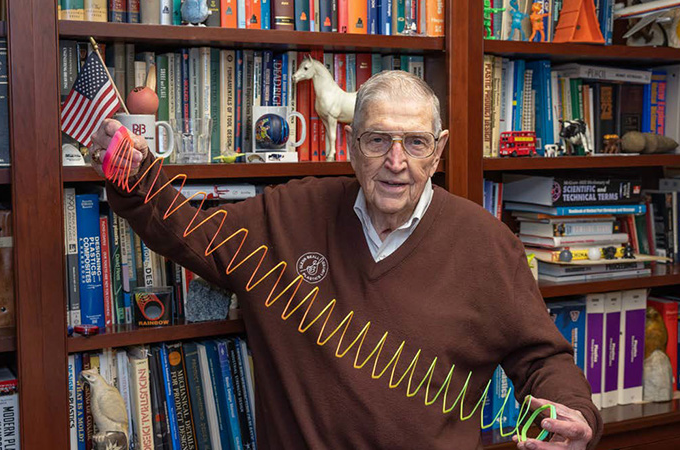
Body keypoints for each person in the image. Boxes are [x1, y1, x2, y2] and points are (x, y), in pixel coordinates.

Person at [91, 71, 602, 450]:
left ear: (439, 152)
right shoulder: (286, 214)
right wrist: (132, 173)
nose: (396, 162)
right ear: (353, 146)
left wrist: (575, 414)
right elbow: (188, 231)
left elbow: (542, 359)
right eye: (378, 140)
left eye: (415, 143)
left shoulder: (487, 245)